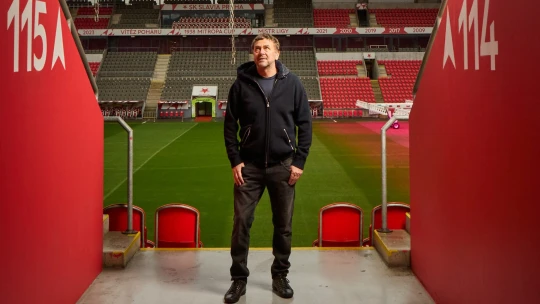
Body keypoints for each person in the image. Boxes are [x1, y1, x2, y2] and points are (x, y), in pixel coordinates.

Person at [223, 33, 312, 303]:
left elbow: (305, 125)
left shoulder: (293, 84)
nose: (262, 52)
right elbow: (229, 126)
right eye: (257, 48)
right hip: (248, 168)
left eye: (267, 48)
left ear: (277, 53)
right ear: (253, 54)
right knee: (241, 224)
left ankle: (280, 275)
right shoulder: (241, 85)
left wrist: (299, 162)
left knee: (283, 225)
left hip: (283, 166)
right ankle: (238, 280)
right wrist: (235, 159)